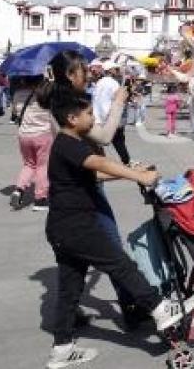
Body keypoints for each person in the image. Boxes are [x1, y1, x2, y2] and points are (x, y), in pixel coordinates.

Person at [44, 92, 187, 368]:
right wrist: (140, 177)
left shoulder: (66, 144)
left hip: (63, 229)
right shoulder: (69, 144)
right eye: (88, 114)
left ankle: (61, 349)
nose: (93, 117)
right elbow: (98, 163)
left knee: (69, 289)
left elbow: (94, 173)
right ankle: (159, 308)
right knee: (121, 265)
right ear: (73, 119)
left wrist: (131, 169)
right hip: (78, 227)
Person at [37, 51, 147, 329]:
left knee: (75, 264)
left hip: (81, 188)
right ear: (70, 75)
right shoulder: (67, 108)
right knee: (113, 251)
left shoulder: (62, 102)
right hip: (83, 191)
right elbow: (105, 137)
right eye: (83, 71)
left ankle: (71, 314)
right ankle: (134, 306)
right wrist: (118, 102)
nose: (88, 75)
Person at [10, 75, 55, 211]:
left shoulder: (17, 93)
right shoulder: (45, 93)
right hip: (43, 134)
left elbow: (15, 113)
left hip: (24, 134)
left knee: (29, 164)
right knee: (42, 166)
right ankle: (40, 199)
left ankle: (19, 189)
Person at [93, 61, 131, 165]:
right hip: (109, 115)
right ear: (110, 70)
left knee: (98, 142)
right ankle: (126, 161)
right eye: (115, 69)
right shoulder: (113, 83)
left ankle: (99, 161)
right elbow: (118, 98)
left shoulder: (99, 82)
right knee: (119, 141)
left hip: (98, 116)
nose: (117, 71)